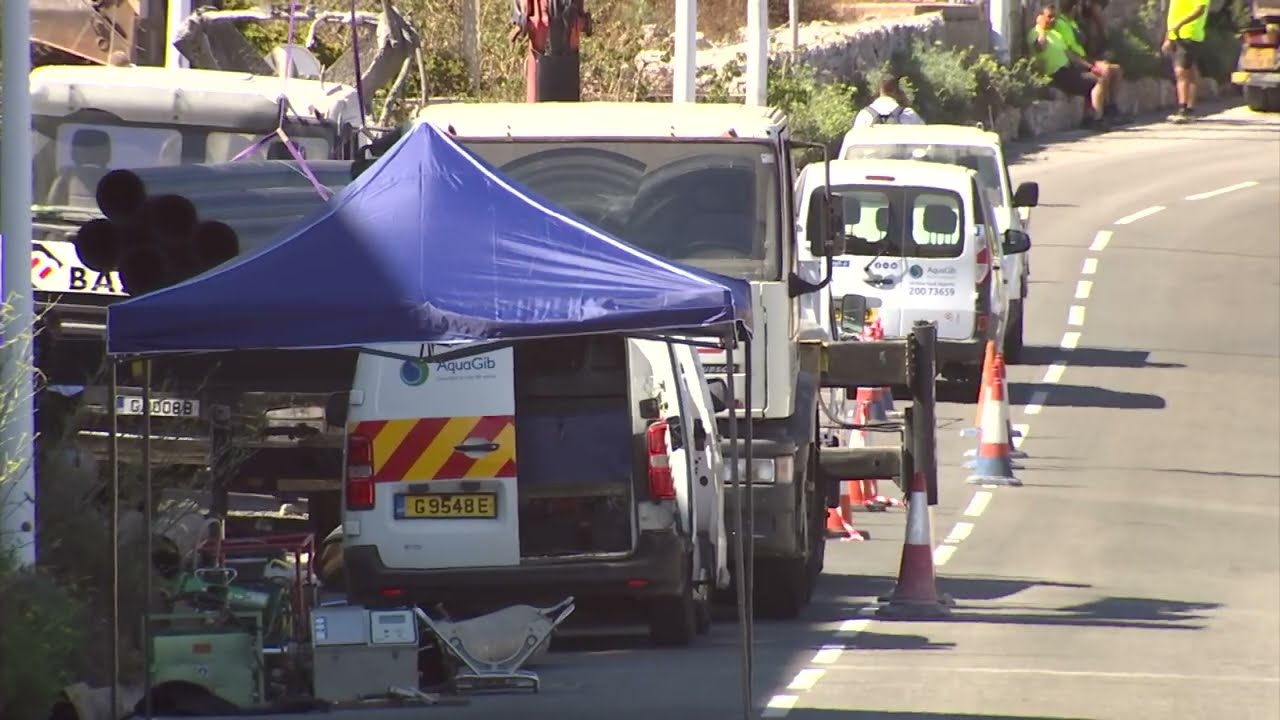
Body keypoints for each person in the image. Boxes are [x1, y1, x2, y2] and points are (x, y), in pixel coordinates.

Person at [1027, 4, 1113, 129]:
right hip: (1055, 73)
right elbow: (1041, 46)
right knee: (1097, 82)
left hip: (1068, 69)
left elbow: (1070, 54)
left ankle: (1090, 117)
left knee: (1098, 76)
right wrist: (1041, 28)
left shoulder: (1056, 35)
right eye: (1049, 17)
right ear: (1040, 17)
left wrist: (1090, 67)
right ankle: (1096, 118)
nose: (1052, 20)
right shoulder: (1034, 33)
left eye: (1054, 17)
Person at [1058, 0, 1129, 123]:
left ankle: (1111, 107)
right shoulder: (1063, 24)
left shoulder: (1076, 23)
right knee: (1104, 72)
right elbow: (1070, 51)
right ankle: (1096, 115)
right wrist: (1090, 65)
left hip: (1084, 57)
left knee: (1116, 69)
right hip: (1078, 61)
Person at [1162, 0, 1212, 123]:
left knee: (1181, 72)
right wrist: (1168, 37)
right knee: (1189, 70)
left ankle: (1183, 109)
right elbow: (1172, 15)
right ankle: (1189, 108)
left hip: (1189, 35)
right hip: (1177, 36)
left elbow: (1199, 10)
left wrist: (1180, 24)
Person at [852, 75, 925, 128]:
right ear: (896, 91)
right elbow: (925, 141)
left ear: (880, 90)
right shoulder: (909, 115)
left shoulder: (865, 115)